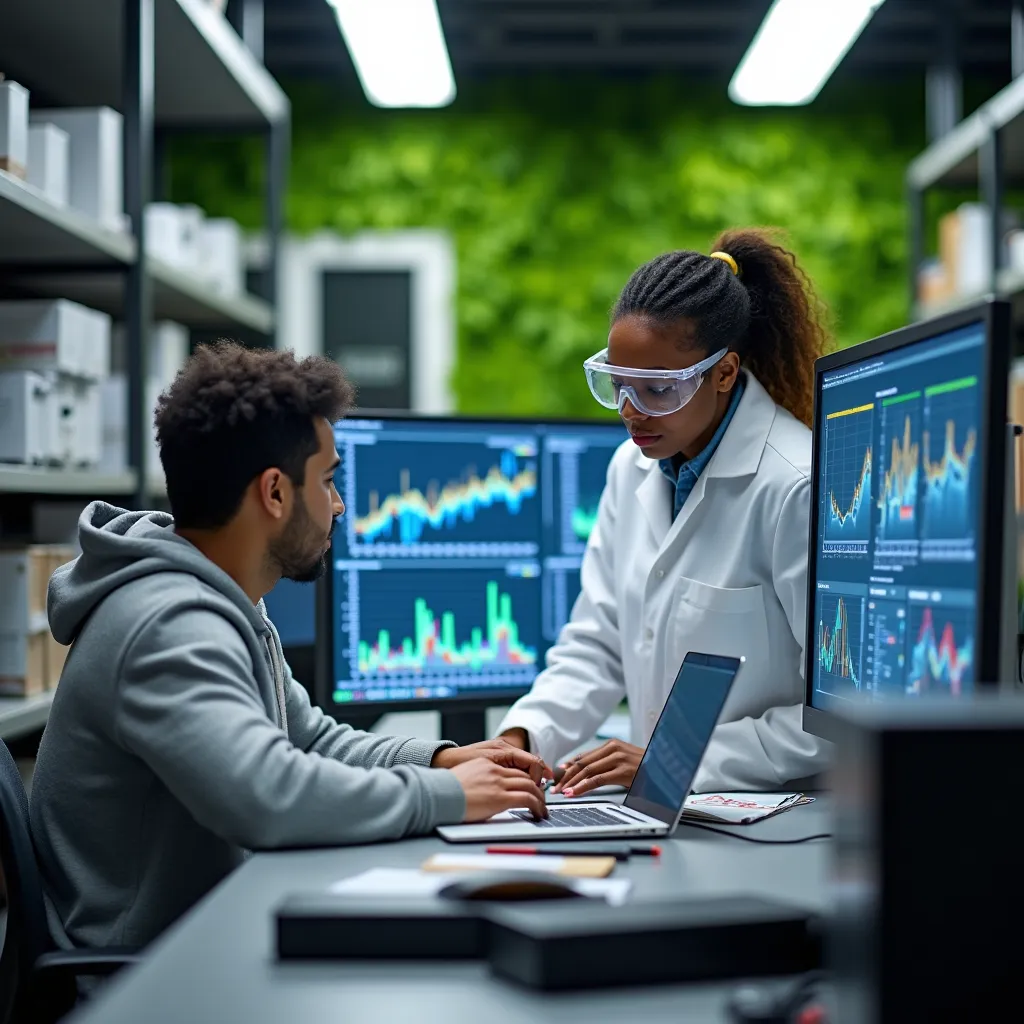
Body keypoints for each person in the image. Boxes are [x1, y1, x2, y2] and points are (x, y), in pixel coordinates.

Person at [30, 342, 550, 952]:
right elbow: (268, 797)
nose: (339, 504)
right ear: (274, 492)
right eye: (327, 480)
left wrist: (437, 759)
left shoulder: (218, 598)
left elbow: (308, 738)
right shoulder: (168, 624)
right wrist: (447, 798)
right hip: (143, 979)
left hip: (201, 937)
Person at [498, 228, 832, 796]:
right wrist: (521, 739)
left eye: (657, 390)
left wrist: (672, 758)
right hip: (659, 804)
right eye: (619, 385)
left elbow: (832, 716)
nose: (631, 413)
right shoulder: (630, 469)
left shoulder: (796, 485)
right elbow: (598, 642)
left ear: (723, 373)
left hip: (773, 820)